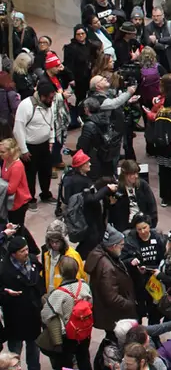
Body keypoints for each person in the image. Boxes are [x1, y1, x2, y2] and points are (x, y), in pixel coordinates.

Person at [40, 255, 93, 370]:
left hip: (67, 335)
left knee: (65, 364)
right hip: (84, 332)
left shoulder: (58, 293)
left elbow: (46, 315)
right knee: (84, 358)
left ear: (61, 272)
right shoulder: (84, 286)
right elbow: (91, 303)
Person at [0, 236, 44, 370]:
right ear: (14, 254)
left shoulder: (32, 260)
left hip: (33, 315)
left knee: (34, 349)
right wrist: (7, 294)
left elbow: (39, 280)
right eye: (22, 251)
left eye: (26, 249)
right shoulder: (3, 271)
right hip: (15, 318)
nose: (26, 253)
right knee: (15, 352)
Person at [87, 226, 138, 339]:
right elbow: (112, 297)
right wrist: (130, 304)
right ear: (113, 246)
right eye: (121, 245)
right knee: (114, 340)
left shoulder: (105, 256)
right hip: (114, 316)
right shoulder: (107, 267)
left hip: (108, 314)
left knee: (111, 338)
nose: (123, 247)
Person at [13, 81, 57, 207]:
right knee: (30, 174)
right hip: (30, 147)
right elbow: (18, 129)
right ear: (42, 96)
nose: (51, 100)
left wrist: (51, 140)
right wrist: (23, 150)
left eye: (52, 97)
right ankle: (30, 199)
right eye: (49, 98)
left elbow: (51, 122)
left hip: (44, 145)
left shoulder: (49, 104)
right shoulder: (26, 105)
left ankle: (45, 194)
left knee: (46, 171)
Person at [120, 214, 166, 324]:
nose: (142, 231)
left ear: (149, 226)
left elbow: (163, 258)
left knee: (154, 310)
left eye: (144, 228)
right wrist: (131, 262)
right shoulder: (129, 240)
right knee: (137, 310)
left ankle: (154, 335)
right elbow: (122, 260)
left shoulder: (158, 238)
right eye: (139, 229)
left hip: (154, 279)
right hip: (137, 281)